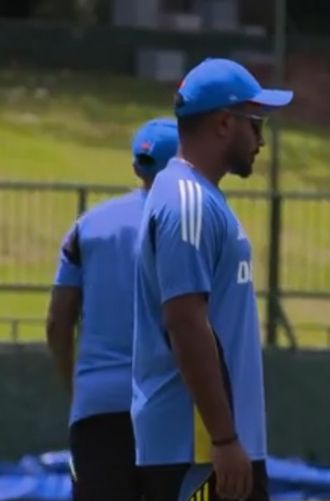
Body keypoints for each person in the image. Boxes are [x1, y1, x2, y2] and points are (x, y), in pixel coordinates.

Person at [131, 57, 293, 501]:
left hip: (214, 445)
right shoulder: (188, 202)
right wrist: (223, 439)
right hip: (197, 449)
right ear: (224, 123)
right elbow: (185, 322)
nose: (261, 139)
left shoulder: (201, 197)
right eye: (255, 123)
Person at [46, 117, 179, 501]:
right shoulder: (193, 226)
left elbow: (58, 321)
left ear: (136, 166)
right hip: (170, 410)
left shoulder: (87, 227)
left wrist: (78, 389)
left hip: (97, 407)